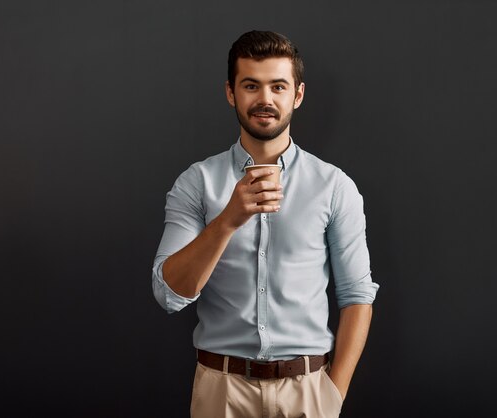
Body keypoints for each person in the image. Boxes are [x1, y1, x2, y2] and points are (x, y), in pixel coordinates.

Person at [152, 30, 379, 418]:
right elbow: (169, 293)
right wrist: (228, 220)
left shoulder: (333, 186)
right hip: (221, 391)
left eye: (278, 86)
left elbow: (357, 296)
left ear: (298, 94)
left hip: (308, 391)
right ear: (230, 93)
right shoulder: (197, 182)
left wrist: (332, 395)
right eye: (251, 85)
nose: (265, 99)